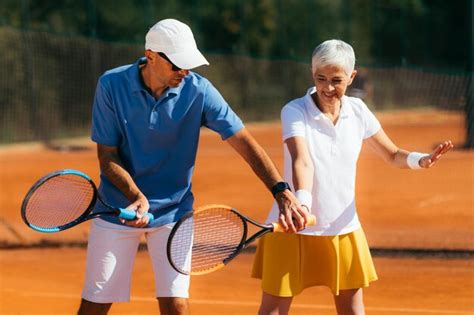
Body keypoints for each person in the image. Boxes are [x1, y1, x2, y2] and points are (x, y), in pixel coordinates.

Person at [77, 18, 311, 315]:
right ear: (150, 56)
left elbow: (244, 141)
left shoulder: (199, 91)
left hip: (175, 211)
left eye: (189, 64)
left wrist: (282, 191)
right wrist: (136, 195)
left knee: (177, 305)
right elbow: (107, 156)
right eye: (177, 65)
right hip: (118, 208)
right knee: (94, 305)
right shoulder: (111, 85)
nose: (184, 72)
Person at [251, 39, 453, 315]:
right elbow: (302, 159)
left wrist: (421, 160)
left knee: (353, 311)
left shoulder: (358, 111)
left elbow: (392, 154)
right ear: (312, 73)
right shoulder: (294, 111)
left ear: (352, 77)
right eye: (320, 78)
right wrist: (302, 205)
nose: (327, 87)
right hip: (292, 227)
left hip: (343, 228)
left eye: (336, 80)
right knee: (273, 310)